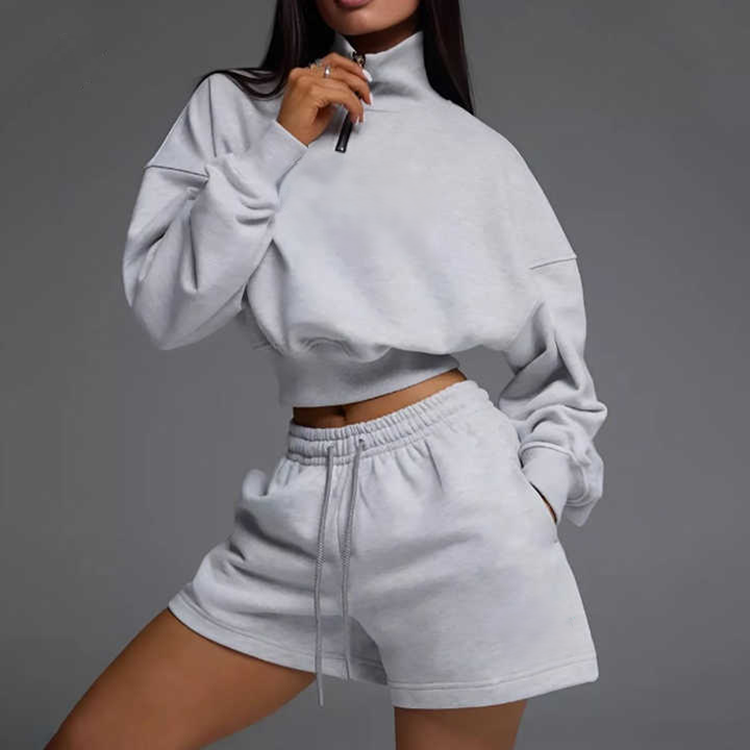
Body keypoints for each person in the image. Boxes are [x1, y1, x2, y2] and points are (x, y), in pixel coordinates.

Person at [47, 1, 608, 748]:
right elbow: (166, 309)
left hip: (459, 510)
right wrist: (278, 144)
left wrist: (534, 500)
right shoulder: (234, 109)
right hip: (301, 501)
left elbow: (560, 369)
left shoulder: (478, 152)